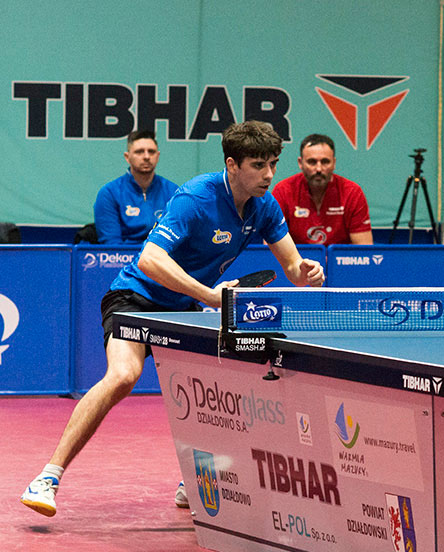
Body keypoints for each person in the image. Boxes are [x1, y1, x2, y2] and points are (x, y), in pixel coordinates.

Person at [20, 121, 326, 518]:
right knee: (123, 376)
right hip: (136, 298)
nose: (268, 174)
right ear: (232, 165)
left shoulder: (264, 206)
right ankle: (47, 477)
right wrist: (208, 296)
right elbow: (150, 259)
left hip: (183, 308)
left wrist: (306, 271)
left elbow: (292, 267)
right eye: (258, 165)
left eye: (272, 164)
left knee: (215, 387)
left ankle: (193, 483)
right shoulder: (197, 197)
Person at [271, 133, 373, 245]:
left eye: (325, 162)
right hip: (295, 256)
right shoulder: (283, 191)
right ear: (300, 163)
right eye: (312, 162)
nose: (319, 169)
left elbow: (363, 250)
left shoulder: (352, 192)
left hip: (339, 257)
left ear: (334, 163)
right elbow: (271, 246)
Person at [93, 130, 179, 244]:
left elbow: (179, 236)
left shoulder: (173, 192)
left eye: (151, 152)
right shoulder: (109, 193)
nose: (146, 156)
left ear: (157, 156)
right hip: (124, 254)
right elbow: (111, 244)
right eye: (139, 152)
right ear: (127, 157)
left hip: (162, 253)